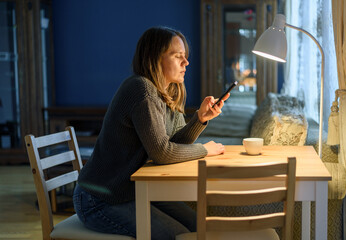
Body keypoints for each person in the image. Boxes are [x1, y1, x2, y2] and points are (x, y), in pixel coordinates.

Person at [73, 26, 229, 240]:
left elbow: (174, 143)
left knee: (198, 226)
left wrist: (200, 119)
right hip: (100, 199)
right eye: (178, 56)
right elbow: (162, 153)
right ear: (156, 58)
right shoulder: (141, 90)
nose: (186, 63)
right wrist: (204, 150)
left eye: (186, 57)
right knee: (179, 236)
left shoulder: (169, 91)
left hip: (132, 191)